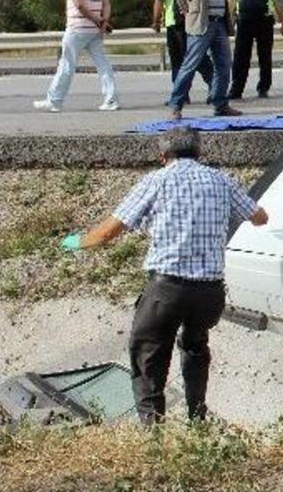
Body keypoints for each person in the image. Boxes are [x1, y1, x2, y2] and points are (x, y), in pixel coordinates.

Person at [59, 126, 268, 423]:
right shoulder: (222, 181)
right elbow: (260, 217)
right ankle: (197, 417)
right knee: (196, 346)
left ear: (162, 156)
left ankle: (153, 431)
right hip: (210, 293)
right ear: (200, 153)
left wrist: (77, 242)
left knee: (148, 356)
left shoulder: (156, 181)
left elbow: (106, 234)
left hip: (167, 289)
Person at [33, 0, 119, 113]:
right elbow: (106, 4)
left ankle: (54, 101)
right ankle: (111, 100)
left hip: (77, 28)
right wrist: (103, 22)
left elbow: (79, 4)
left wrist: (96, 20)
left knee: (66, 65)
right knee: (103, 65)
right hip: (95, 31)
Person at [168, 0, 241, 120]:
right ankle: (176, 105)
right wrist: (188, 10)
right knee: (190, 65)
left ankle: (220, 103)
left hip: (219, 24)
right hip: (201, 24)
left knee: (224, 66)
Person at [151, 0, 213, 102]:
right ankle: (215, 86)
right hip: (197, 19)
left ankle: (181, 95)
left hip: (176, 21)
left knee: (179, 59)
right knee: (198, 56)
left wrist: (156, 21)